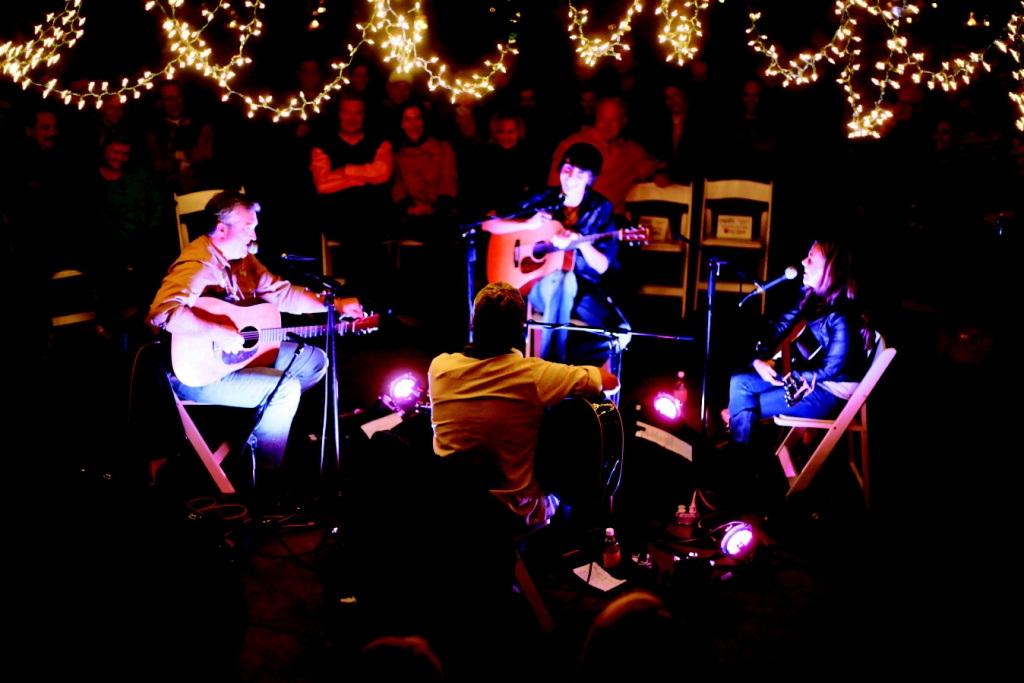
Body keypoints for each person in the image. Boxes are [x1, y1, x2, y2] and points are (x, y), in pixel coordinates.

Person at [146, 191, 365, 469]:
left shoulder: (241, 258)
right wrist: (218, 332)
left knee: (314, 361)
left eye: (254, 227)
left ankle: (255, 431)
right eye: (247, 228)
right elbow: (162, 312)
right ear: (222, 229)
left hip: (233, 360)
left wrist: (334, 305)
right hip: (193, 373)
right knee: (285, 389)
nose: (253, 235)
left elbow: (281, 294)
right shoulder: (197, 265)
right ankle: (263, 477)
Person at [429, 281, 619, 525]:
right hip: (513, 512)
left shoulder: (438, 368)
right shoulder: (532, 374)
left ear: (472, 324)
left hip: (453, 505)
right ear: (520, 329)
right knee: (569, 495)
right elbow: (610, 382)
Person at [486, 142, 630, 367]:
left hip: (584, 290)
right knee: (563, 278)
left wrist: (581, 244)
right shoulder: (543, 199)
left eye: (580, 173)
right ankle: (552, 375)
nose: (571, 177)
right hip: (541, 287)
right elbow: (489, 224)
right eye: (568, 168)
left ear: (589, 180)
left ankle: (563, 369)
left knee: (621, 333)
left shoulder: (601, 208)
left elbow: (602, 266)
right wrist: (528, 223)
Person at [726, 239, 872, 446]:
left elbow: (830, 369)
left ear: (829, 269)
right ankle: (741, 462)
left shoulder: (842, 314)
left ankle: (738, 466)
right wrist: (760, 360)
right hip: (808, 375)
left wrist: (788, 373)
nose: (803, 262)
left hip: (830, 390)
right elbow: (779, 326)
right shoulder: (812, 294)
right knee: (739, 382)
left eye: (811, 259)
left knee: (741, 402)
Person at [309, 91, 393, 290]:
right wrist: (363, 177)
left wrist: (344, 171)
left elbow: (382, 173)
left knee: (367, 225)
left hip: (376, 213)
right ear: (339, 114)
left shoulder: (380, 141)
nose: (352, 119)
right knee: (357, 228)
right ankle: (369, 293)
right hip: (337, 216)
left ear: (364, 115)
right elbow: (322, 184)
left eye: (358, 113)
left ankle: (361, 294)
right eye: (347, 113)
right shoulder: (323, 145)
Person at [547, 97, 663, 215]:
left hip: (609, 225)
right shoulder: (571, 145)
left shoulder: (634, 153)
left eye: (614, 120)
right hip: (570, 221)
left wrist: (662, 173)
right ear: (596, 118)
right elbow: (554, 191)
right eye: (603, 118)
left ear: (624, 122)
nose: (607, 125)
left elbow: (658, 167)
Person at [143, 80, 217, 193]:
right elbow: (155, 165)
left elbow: (207, 154)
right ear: (159, 102)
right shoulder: (153, 131)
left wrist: (179, 155)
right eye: (169, 99)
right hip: (166, 194)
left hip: (203, 190)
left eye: (178, 97)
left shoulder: (201, 124)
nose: (175, 103)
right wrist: (181, 164)